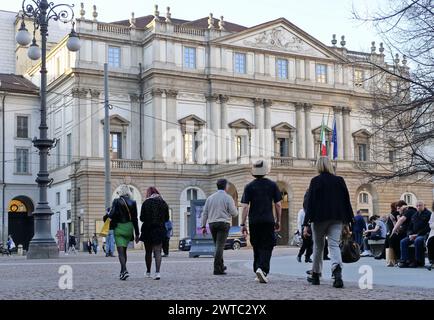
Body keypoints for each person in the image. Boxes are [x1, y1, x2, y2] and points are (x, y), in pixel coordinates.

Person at [303, 156, 354, 289]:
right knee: (334, 245)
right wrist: (349, 219)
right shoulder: (339, 180)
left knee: (318, 247)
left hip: (319, 218)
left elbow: (311, 203)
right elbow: (346, 201)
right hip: (337, 218)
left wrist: (306, 223)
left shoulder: (315, 181)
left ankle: (315, 275)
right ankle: (337, 273)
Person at [240, 160, 282, 284]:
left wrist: (243, 224)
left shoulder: (249, 186)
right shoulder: (272, 185)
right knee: (267, 245)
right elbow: (278, 205)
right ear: (265, 171)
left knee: (256, 245)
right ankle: (262, 270)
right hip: (268, 220)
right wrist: (278, 220)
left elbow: (245, 206)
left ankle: (257, 269)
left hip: (254, 221)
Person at [201, 179, 239, 275]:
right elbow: (234, 213)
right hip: (223, 223)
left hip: (212, 224)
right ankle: (217, 268)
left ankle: (221, 266)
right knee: (220, 246)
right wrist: (233, 209)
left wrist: (203, 226)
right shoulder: (228, 198)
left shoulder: (210, 198)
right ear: (225, 186)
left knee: (217, 246)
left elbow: (204, 213)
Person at [108, 184, 140, 280]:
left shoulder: (116, 201)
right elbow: (135, 219)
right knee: (124, 251)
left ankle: (124, 269)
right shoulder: (133, 202)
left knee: (120, 252)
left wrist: (106, 216)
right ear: (128, 192)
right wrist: (137, 234)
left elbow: (112, 214)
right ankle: (122, 272)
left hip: (119, 228)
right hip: (129, 228)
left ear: (120, 192)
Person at [139, 187, 169, 280]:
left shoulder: (146, 203)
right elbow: (167, 218)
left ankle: (148, 272)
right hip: (159, 230)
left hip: (148, 229)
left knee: (148, 252)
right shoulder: (163, 203)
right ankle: (157, 273)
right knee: (157, 251)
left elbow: (141, 218)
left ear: (149, 194)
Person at [398, 200, 431, 268]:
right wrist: (410, 235)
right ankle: (405, 260)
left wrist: (417, 235)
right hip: (413, 235)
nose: (418, 207)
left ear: (424, 205)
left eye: (420, 205)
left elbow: (428, 228)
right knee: (403, 241)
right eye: (417, 206)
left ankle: (417, 261)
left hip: (424, 235)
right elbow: (410, 227)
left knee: (418, 240)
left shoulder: (428, 214)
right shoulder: (414, 215)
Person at [385, 202, 399, 266]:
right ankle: (393, 260)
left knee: (390, 241)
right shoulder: (396, 214)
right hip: (395, 232)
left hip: (391, 232)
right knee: (391, 240)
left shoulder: (391, 214)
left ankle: (391, 260)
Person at [425, 201, 434, 271]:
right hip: (433, 233)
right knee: (431, 241)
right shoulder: (433, 214)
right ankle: (432, 261)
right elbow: (430, 225)